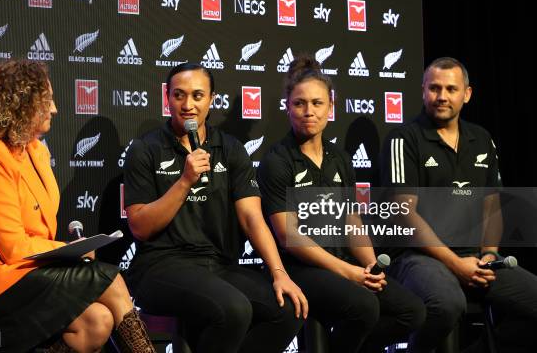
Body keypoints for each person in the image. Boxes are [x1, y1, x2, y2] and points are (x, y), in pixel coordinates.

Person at [0, 59, 155, 353]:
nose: (54, 109)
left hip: (25, 274)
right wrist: (65, 252)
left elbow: (37, 233)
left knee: (98, 320)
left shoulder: (37, 151)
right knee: (111, 278)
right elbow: (13, 249)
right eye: (47, 101)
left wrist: (72, 250)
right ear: (22, 105)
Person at [123, 62, 308, 353]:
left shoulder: (230, 149)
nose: (188, 105)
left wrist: (279, 272)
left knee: (288, 309)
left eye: (197, 96)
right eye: (179, 95)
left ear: (211, 100)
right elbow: (140, 227)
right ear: (167, 98)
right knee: (234, 309)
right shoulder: (145, 150)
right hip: (160, 266)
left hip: (217, 265)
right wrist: (185, 181)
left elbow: (251, 217)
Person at [257, 55, 425, 352]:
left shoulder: (341, 159)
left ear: (331, 107)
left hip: (343, 263)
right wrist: (347, 272)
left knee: (412, 311)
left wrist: (370, 265)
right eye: (300, 103)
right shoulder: (277, 161)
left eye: (317, 103)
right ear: (288, 107)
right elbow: (289, 237)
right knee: (364, 307)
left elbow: (351, 222)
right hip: (299, 267)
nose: (309, 111)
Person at [380, 57, 537, 352]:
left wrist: (490, 254)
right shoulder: (404, 138)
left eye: (451, 89)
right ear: (423, 91)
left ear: (466, 94)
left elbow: (492, 206)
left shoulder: (482, 138)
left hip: (475, 257)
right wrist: (455, 264)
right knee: (447, 304)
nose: (442, 96)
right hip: (417, 257)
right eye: (434, 88)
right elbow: (404, 215)